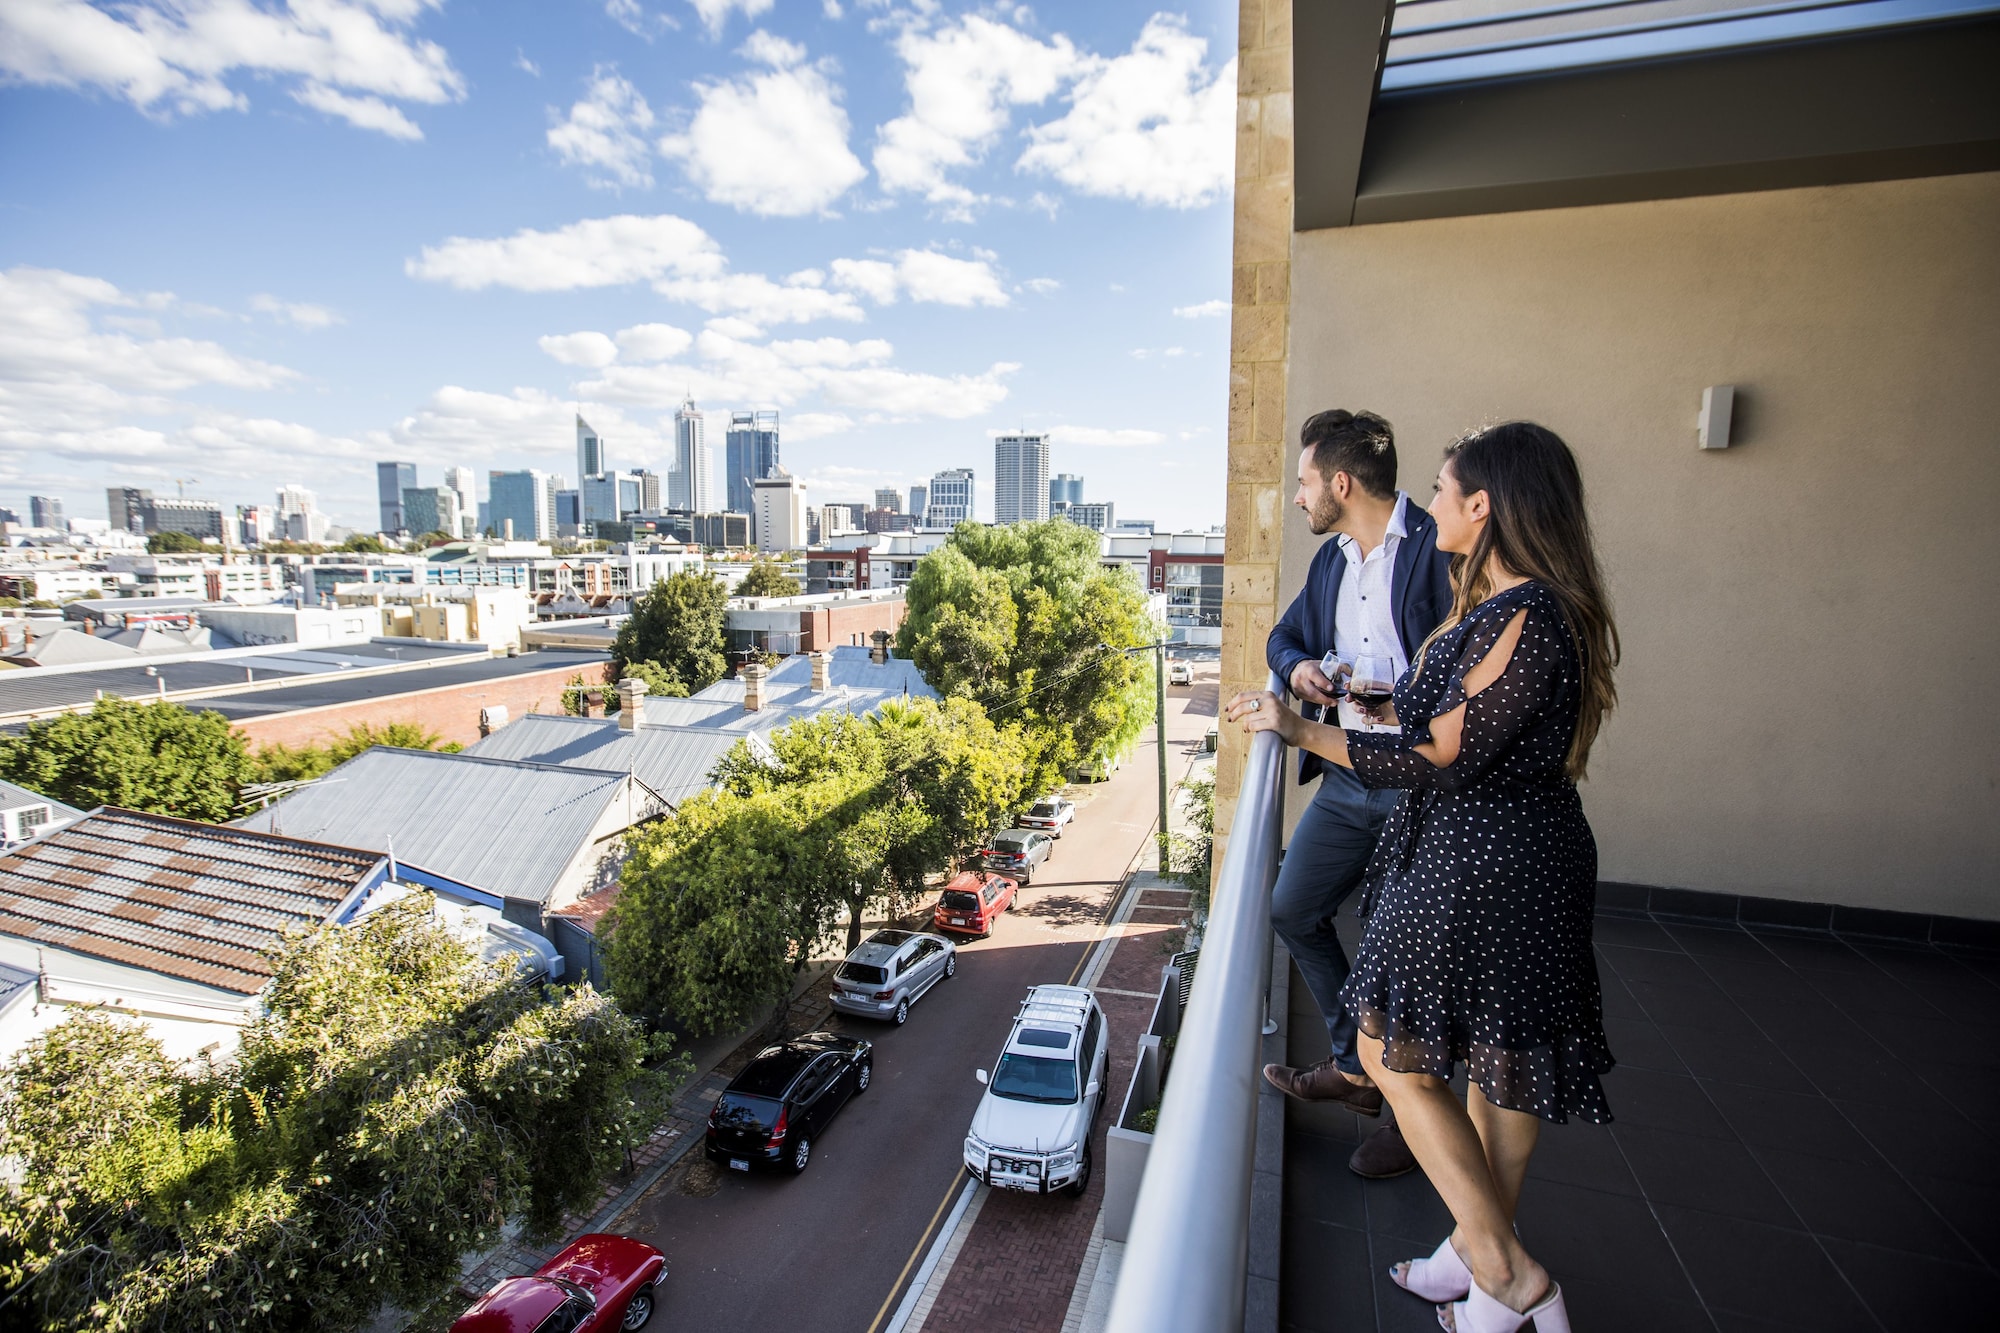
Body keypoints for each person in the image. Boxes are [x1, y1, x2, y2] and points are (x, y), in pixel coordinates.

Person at [1227, 421, 1619, 1333]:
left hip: (1488, 866)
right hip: (1479, 856)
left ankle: (1509, 1273)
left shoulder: (1530, 613)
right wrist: (1327, 692)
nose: (1431, 501)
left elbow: (1439, 751)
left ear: (1484, 507)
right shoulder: (1502, 600)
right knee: (1492, 1067)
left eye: (1444, 489)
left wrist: (1302, 732)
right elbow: (1423, 704)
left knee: (1397, 1052)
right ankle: (1478, 1262)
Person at [1260, 408, 1452, 1180]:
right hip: (1345, 777)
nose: (1298, 497)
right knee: (1290, 907)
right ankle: (1356, 1066)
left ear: (1341, 482)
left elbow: (1468, 676)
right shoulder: (1333, 562)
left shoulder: (1439, 550)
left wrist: (1402, 703)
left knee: (1402, 954)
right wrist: (1303, 671)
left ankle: (1415, 1120)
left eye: (1305, 482)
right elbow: (1282, 638)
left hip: (1419, 789)